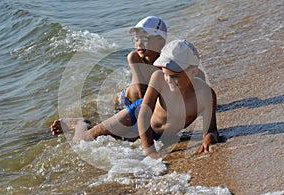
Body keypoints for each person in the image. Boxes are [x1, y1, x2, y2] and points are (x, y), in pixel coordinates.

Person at [51, 40, 219, 159]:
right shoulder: (159, 78)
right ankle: (79, 123)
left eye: (174, 76)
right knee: (84, 141)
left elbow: (211, 128)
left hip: (157, 134)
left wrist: (209, 137)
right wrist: (150, 152)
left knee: (123, 142)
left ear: (193, 72)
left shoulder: (206, 94)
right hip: (136, 115)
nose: (168, 80)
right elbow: (143, 116)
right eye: (166, 74)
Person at [118, 16, 167, 107]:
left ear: (161, 42)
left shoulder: (166, 62)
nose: (139, 44)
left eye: (144, 39)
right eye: (136, 39)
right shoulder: (134, 58)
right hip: (129, 100)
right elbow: (140, 91)